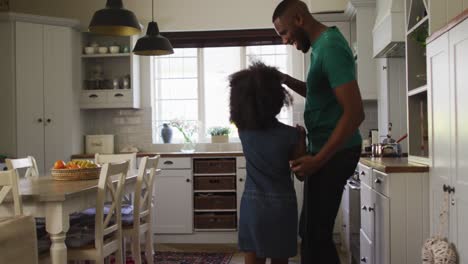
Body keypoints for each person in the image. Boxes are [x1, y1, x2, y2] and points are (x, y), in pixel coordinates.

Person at [272, 1, 365, 263]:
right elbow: (318, 92)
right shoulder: (320, 48)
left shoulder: (331, 47)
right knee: (310, 232)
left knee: (316, 235)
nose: (284, 40)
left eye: (284, 32)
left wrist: (317, 160)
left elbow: (355, 113)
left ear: (299, 19)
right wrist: (285, 79)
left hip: (336, 152)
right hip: (327, 150)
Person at [229, 62, 306, 264]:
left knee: (253, 257)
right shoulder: (291, 135)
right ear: (277, 101)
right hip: (282, 206)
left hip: (253, 206)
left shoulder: (243, 130)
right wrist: (302, 139)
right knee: (280, 259)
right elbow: (301, 173)